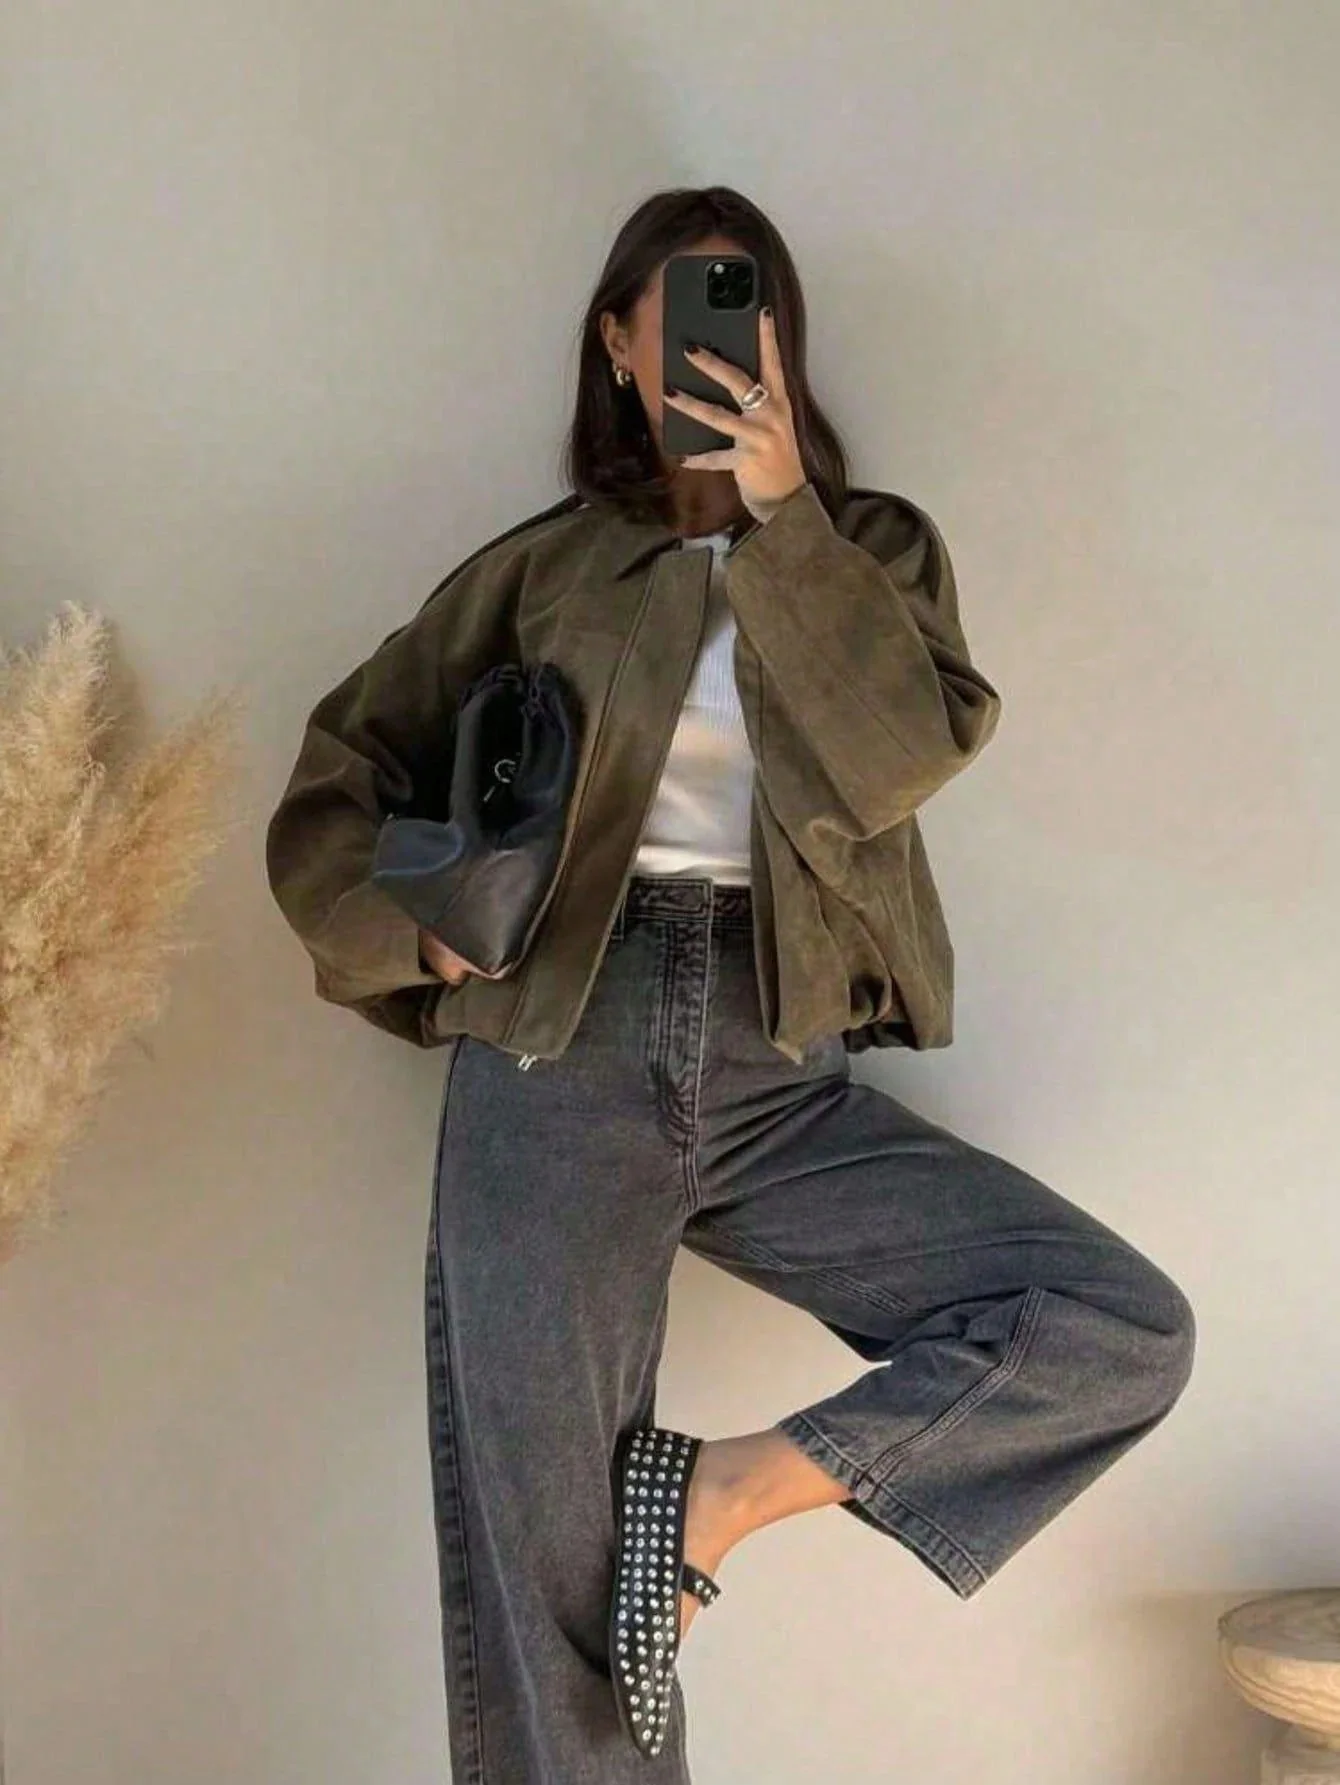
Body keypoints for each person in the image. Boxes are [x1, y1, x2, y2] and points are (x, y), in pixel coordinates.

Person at [266, 185, 1196, 1782]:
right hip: (556, 1049)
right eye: (685, 309)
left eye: (748, 306)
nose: (720, 340)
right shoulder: (543, 570)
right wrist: (414, 940)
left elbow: (900, 756)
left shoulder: (870, 548)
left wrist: (785, 521)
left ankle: (720, 1495)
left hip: (778, 1045)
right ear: (620, 345)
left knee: (1112, 1324)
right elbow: (340, 773)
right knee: (552, 1592)